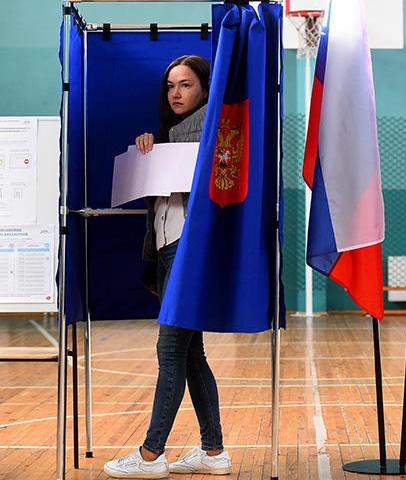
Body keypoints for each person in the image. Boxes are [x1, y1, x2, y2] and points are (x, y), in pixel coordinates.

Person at [104, 55, 232, 478]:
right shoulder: (171, 136)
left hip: (185, 250)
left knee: (171, 349)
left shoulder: (209, 132)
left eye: (186, 85)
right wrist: (150, 152)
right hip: (166, 250)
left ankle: (150, 454)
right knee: (192, 354)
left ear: (205, 90)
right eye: (171, 86)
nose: (176, 93)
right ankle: (214, 453)